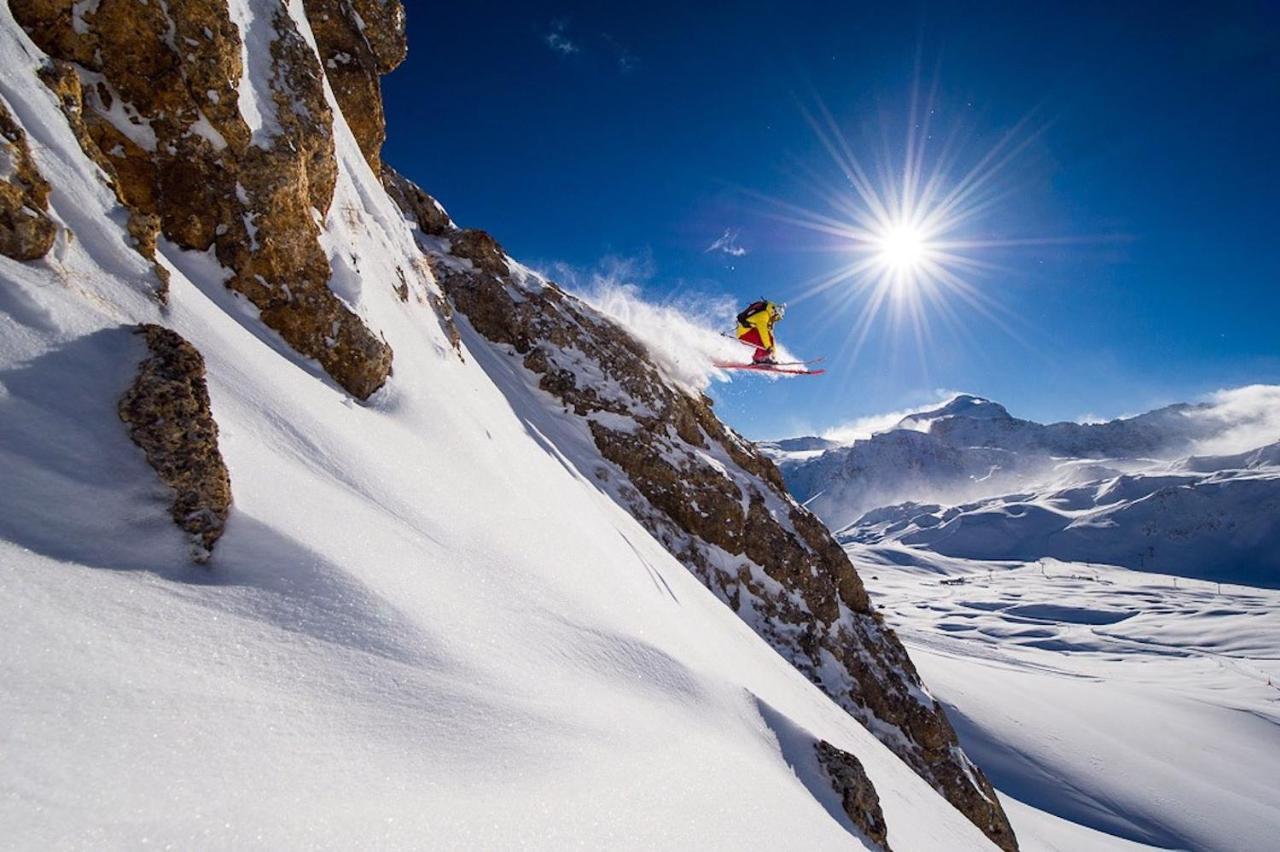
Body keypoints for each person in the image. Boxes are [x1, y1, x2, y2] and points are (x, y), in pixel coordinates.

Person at [735, 299, 785, 364]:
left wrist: (773, 356)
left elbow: (771, 338)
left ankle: (765, 358)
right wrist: (768, 347)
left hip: (751, 332)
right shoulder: (763, 316)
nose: (776, 320)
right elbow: (763, 332)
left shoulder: (769, 320)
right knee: (765, 343)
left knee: (768, 341)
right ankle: (758, 359)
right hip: (743, 334)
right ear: (774, 312)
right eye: (777, 317)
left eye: (778, 319)